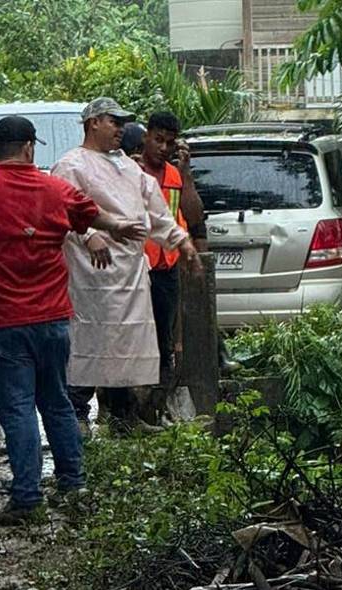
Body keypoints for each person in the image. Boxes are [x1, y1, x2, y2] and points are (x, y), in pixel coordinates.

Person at [0, 116, 146, 525]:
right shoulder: (54, 188)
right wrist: (118, 226)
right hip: (53, 321)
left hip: (1, 321)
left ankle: (27, 498)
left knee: (19, 408)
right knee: (57, 402)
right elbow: (89, 213)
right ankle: (72, 485)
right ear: (29, 148)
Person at [52, 98, 201, 432]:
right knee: (89, 339)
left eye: (122, 123)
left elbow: (156, 211)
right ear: (93, 123)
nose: (121, 129)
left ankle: (123, 416)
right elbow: (60, 209)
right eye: (113, 122)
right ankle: (77, 414)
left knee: (125, 343)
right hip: (92, 275)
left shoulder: (127, 165)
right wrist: (89, 233)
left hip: (132, 271)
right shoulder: (71, 165)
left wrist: (182, 242)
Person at [135, 111, 205, 393]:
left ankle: (157, 402)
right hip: (139, 269)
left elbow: (192, 214)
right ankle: (122, 407)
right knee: (135, 339)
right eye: (158, 140)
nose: (163, 148)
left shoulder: (175, 174)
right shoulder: (133, 171)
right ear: (146, 137)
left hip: (166, 268)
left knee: (164, 340)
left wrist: (186, 173)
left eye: (169, 143)